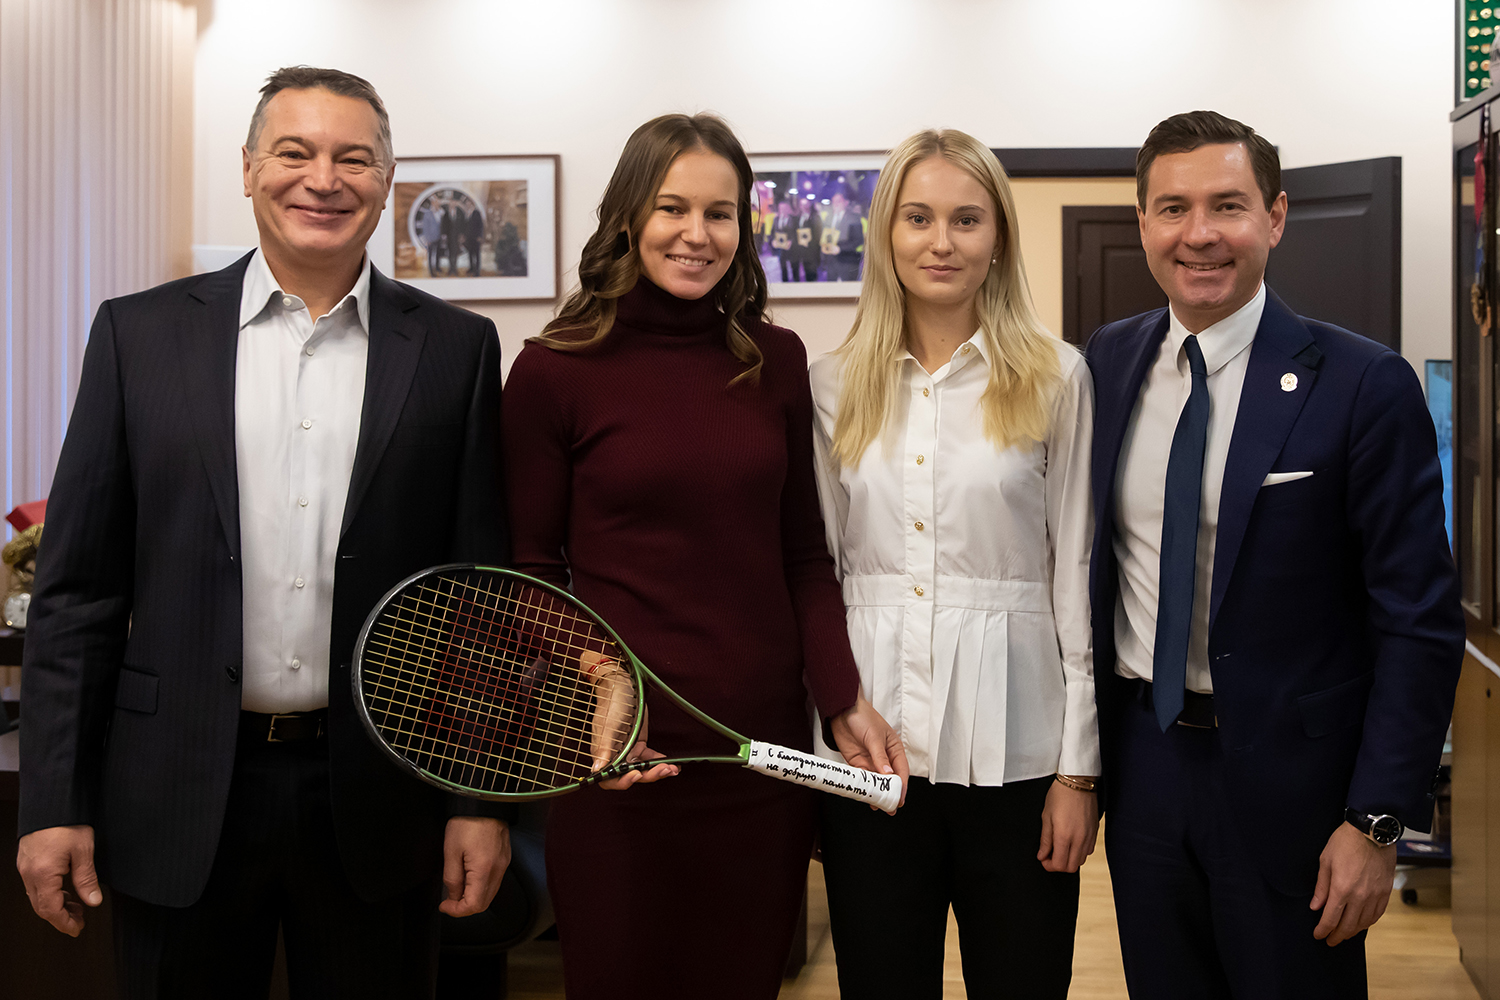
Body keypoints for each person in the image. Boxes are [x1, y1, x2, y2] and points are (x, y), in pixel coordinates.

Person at [15, 66, 512, 999]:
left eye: (353, 158)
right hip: (176, 791)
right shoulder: (137, 336)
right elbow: (78, 594)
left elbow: (475, 604)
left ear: (387, 181)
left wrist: (474, 800)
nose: (323, 179)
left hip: (380, 794)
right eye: (294, 152)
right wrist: (52, 802)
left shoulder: (457, 350)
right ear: (248, 168)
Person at [502, 112, 907, 1000]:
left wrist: (840, 696)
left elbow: (803, 555)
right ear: (626, 217)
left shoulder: (777, 359)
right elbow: (531, 569)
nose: (698, 233)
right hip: (615, 753)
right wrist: (602, 680)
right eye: (672, 208)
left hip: (757, 755)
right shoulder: (552, 370)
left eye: (720, 213)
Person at [1086, 110, 1464, 998]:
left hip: (1299, 789)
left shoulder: (1363, 383)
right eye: (1173, 208)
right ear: (1143, 223)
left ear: (1276, 217)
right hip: (1145, 769)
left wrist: (1376, 822)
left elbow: (1418, 622)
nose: (1200, 234)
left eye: (1228, 205)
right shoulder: (1108, 360)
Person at [809, 128, 1097, 998]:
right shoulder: (830, 385)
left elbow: (1076, 578)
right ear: (886, 235)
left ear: (998, 235)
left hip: (1018, 755)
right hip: (870, 754)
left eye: (967, 219)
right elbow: (817, 575)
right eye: (919, 218)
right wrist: (820, 734)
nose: (942, 242)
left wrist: (1079, 770)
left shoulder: (1057, 376)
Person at [822, 190, 864, 281]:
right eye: (834, 201)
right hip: (831, 263)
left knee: (847, 289)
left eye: (839, 201)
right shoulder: (828, 218)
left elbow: (858, 240)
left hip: (848, 262)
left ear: (845, 202)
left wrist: (840, 249)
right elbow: (825, 237)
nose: (836, 204)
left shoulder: (854, 218)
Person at [791, 195, 822, 281]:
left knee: (811, 275)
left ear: (809, 205)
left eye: (806, 204)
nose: (804, 207)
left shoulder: (815, 217)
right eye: (801, 205)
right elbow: (794, 232)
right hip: (800, 251)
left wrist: (809, 242)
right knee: (801, 272)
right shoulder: (798, 218)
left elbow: (818, 235)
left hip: (811, 252)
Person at [769, 199, 796, 281]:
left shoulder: (792, 219)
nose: (782, 210)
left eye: (784, 208)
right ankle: (785, 282)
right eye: (781, 208)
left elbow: (795, 232)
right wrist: (773, 241)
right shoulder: (776, 219)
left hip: (791, 248)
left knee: (793, 266)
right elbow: (773, 232)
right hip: (780, 247)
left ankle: (796, 282)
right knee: (782, 266)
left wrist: (791, 241)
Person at [417, 198, 442, 276]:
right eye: (435, 203)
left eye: (438, 203)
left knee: (438, 254)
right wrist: (427, 239)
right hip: (431, 238)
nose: (437, 205)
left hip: (439, 238)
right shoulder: (427, 214)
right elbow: (425, 228)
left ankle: (437, 268)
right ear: (432, 204)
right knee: (430, 255)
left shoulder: (440, 213)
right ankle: (431, 271)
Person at [465, 204, 485, 276]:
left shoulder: (477, 213)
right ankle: (471, 268)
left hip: (476, 238)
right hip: (469, 238)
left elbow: (481, 225)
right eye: (467, 204)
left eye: (469, 204)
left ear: (472, 205)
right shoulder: (467, 213)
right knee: (470, 254)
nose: (468, 205)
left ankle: (477, 271)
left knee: (477, 255)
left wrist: (480, 236)